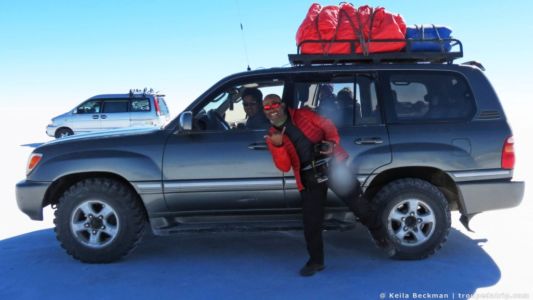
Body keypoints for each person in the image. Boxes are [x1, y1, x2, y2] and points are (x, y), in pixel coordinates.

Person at [262, 94, 388, 277]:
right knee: (311, 221)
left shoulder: (302, 114)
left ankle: (381, 237)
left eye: (274, 104)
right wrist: (278, 146)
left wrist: (331, 143)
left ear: (282, 105)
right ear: (265, 112)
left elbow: (328, 126)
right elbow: (284, 166)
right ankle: (316, 262)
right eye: (267, 107)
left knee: (358, 203)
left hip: (331, 164)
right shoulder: (272, 135)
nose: (272, 109)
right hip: (308, 176)